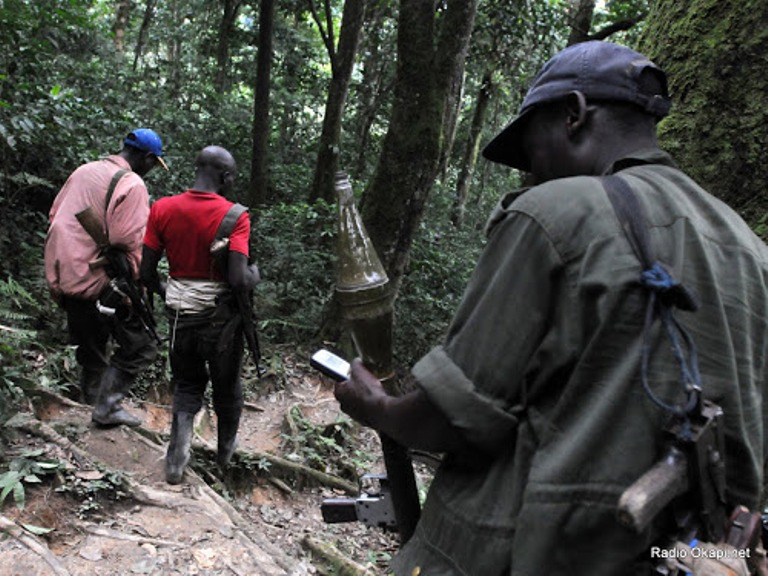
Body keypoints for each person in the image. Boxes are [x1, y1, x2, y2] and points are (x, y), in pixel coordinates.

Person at [333, 41, 768, 574]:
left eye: (532, 150)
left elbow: (455, 418)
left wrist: (377, 406)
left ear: (574, 114)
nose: (533, 174)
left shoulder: (555, 214)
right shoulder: (750, 248)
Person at [140, 145, 260, 485]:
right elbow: (238, 278)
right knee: (227, 386)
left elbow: (146, 272)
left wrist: (171, 294)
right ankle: (225, 453)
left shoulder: (162, 208)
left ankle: (177, 456)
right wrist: (256, 275)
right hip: (221, 321)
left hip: (181, 315)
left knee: (187, 382)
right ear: (225, 176)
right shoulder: (236, 216)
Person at [45, 128, 168, 427]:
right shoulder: (132, 183)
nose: (152, 170)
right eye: (154, 163)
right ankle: (107, 408)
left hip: (66, 275)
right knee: (142, 346)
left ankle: (90, 406)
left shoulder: (84, 170)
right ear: (146, 157)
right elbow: (129, 238)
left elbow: (55, 214)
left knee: (92, 347)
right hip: (100, 279)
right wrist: (141, 281)